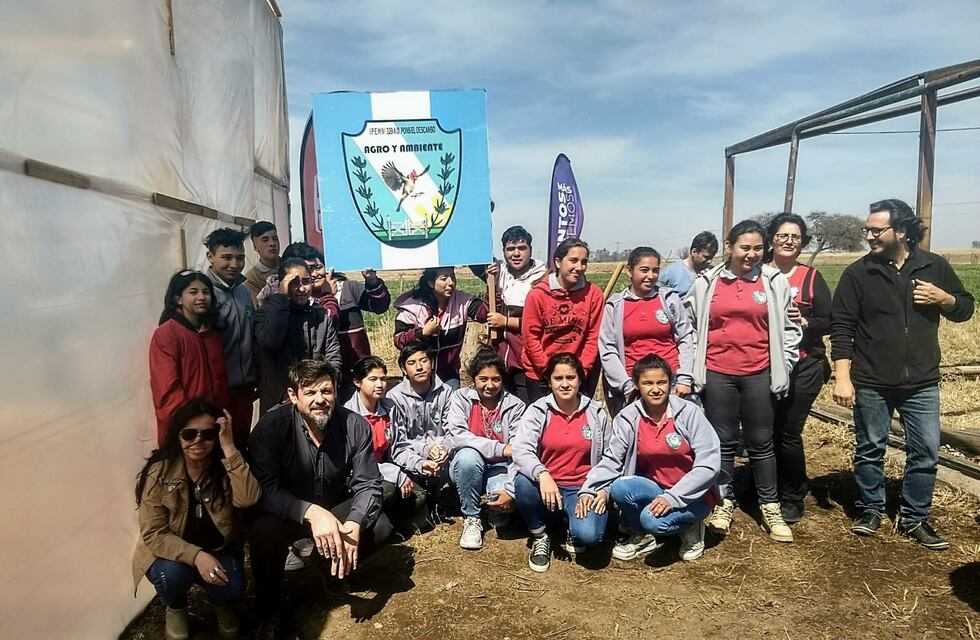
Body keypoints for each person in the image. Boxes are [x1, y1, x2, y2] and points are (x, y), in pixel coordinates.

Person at [831, 199, 974, 550]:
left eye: (876, 230)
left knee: (925, 451)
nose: (869, 236)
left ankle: (914, 519)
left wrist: (945, 299)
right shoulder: (859, 273)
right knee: (870, 448)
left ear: (902, 231)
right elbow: (842, 329)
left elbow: (966, 308)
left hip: (922, 381)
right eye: (867, 229)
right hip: (872, 380)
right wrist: (843, 376)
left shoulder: (934, 266)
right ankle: (870, 509)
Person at [247, 360, 392, 638]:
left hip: (334, 508)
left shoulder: (354, 425)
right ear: (293, 396)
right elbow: (266, 489)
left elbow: (369, 484)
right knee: (263, 532)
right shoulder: (271, 428)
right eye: (310, 393)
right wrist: (310, 512)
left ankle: (327, 565)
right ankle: (268, 611)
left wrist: (354, 523)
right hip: (288, 513)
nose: (320, 400)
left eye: (326, 391)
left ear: (336, 391)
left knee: (380, 524)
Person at [686, 219, 802, 542]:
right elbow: (691, 325)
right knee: (722, 440)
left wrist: (786, 363)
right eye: (744, 248)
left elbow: (791, 329)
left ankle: (770, 504)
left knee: (761, 442)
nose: (751, 254)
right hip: (718, 372)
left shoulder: (773, 282)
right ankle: (724, 501)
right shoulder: (707, 282)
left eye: (757, 248)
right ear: (729, 248)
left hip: (758, 372)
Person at [133, 398, 262, 640]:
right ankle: (176, 608)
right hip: (174, 555)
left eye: (208, 434)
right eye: (189, 434)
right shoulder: (159, 472)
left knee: (232, 588)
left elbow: (249, 498)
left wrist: (229, 447)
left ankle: (222, 605)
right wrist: (197, 556)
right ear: (177, 436)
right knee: (170, 576)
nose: (198, 441)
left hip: (221, 550)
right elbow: (154, 533)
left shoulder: (226, 466)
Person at [580, 355, 720, 562]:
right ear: (637, 385)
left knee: (652, 521)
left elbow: (709, 465)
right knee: (620, 487)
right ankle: (642, 536)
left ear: (670, 383)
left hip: (694, 494)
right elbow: (612, 460)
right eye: (648, 383)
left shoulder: (689, 413)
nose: (655, 389)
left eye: (661, 382)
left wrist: (673, 498)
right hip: (656, 488)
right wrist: (589, 487)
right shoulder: (628, 417)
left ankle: (691, 526)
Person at [511, 353, 611, 572]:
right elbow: (521, 450)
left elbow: (609, 458)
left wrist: (603, 488)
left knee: (588, 536)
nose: (565, 384)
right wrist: (542, 474)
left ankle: (571, 526)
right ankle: (540, 534)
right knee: (523, 481)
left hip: (582, 489)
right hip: (548, 487)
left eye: (571, 377)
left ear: (580, 379)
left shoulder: (596, 413)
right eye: (558, 378)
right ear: (549, 381)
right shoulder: (537, 410)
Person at [765, 213, 832, 524]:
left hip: (804, 365)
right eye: (783, 236)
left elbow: (830, 320)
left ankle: (793, 494)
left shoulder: (810, 277)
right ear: (771, 240)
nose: (789, 241)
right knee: (765, 431)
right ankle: (767, 486)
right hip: (764, 364)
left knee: (789, 431)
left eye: (795, 237)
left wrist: (804, 322)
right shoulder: (757, 273)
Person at [444, 348, 527, 550]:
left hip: (501, 469)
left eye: (496, 379)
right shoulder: (460, 398)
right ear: (474, 379)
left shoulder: (515, 406)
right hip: (467, 467)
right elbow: (458, 437)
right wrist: (499, 448)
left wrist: (511, 490)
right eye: (483, 379)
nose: (490, 385)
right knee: (467, 456)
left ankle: (494, 507)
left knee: (501, 517)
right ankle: (471, 517)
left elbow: (518, 450)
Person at [599, 246, 695, 416]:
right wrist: (626, 385)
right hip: (633, 383)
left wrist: (684, 377)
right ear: (629, 271)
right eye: (644, 270)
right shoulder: (615, 306)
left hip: (670, 382)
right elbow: (608, 349)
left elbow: (685, 337)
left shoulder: (669, 300)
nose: (650, 276)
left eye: (655, 271)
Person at [343, 355, 429, 536]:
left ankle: (392, 519)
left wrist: (419, 463)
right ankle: (372, 520)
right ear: (358, 382)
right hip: (360, 478)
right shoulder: (347, 416)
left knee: (420, 503)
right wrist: (395, 474)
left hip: (387, 470)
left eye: (383, 379)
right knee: (388, 490)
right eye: (373, 379)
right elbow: (354, 466)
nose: (380, 384)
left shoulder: (389, 408)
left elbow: (399, 448)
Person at [149, 271, 230, 447]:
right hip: (184, 431)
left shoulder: (212, 335)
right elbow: (167, 391)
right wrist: (190, 425)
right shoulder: (166, 334)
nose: (201, 297)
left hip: (212, 429)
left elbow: (221, 384)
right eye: (193, 292)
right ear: (178, 299)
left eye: (206, 292)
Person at [253, 257, 342, 412]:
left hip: (316, 399)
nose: (301, 289)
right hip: (279, 399)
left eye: (306, 281)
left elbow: (333, 358)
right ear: (282, 284)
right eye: (294, 283)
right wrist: (281, 298)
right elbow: (271, 341)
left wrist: (321, 390)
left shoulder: (320, 316)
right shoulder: (265, 314)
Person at [471, 225, 548, 402]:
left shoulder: (542, 279)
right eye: (510, 249)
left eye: (522, 248)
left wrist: (505, 321)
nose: (516, 254)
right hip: (499, 358)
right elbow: (474, 254)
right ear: (504, 251)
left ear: (530, 250)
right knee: (502, 408)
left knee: (527, 408)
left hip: (525, 360)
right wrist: (481, 216)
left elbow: (540, 323)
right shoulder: (497, 272)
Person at [521, 238, 605, 401]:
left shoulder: (594, 295)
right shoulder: (537, 295)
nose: (579, 267)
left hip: (578, 374)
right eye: (573, 261)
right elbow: (531, 338)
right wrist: (548, 370)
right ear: (558, 262)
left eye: (584, 262)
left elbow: (593, 337)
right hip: (541, 373)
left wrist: (580, 371)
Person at [386, 341, 456, 523]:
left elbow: (454, 432)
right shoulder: (394, 398)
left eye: (423, 360)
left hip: (443, 458)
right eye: (411, 363)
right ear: (403, 369)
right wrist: (425, 453)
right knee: (419, 516)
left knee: (462, 459)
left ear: (432, 363)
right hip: (411, 460)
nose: (419, 367)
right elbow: (398, 444)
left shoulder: (447, 392)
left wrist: (444, 449)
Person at [204, 228, 259, 449]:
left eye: (240, 258)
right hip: (216, 392)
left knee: (240, 445)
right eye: (226, 258)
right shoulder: (203, 293)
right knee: (217, 450)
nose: (234, 264)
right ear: (210, 257)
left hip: (244, 391)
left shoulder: (244, 292)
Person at [393, 266, 488, 388]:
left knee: (452, 406)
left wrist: (490, 281)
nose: (451, 283)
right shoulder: (412, 307)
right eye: (444, 278)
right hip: (418, 373)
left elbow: (484, 314)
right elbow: (399, 340)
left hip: (448, 374)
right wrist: (423, 333)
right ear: (431, 283)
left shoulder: (461, 301)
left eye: (453, 277)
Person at [659, 231, 719, 297]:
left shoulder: (713, 273)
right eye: (706, 257)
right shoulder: (672, 272)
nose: (709, 261)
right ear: (694, 252)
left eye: (712, 257)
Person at [244, 221, 280, 304]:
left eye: (275, 239)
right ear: (255, 247)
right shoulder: (251, 279)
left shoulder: (290, 265)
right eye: (265, 240)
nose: (272, 243)